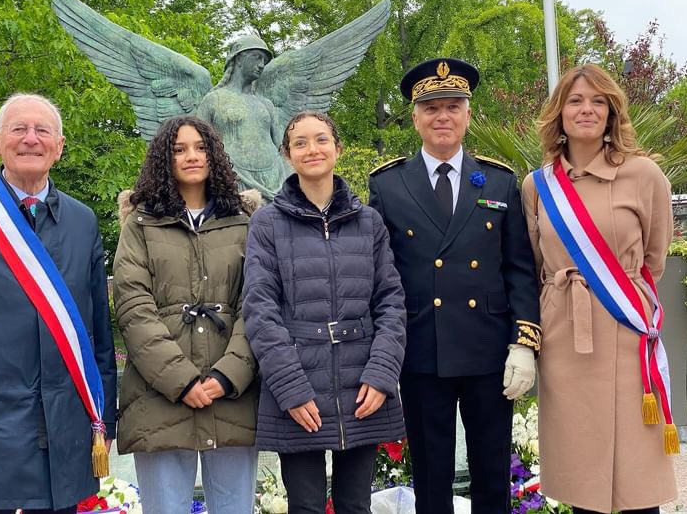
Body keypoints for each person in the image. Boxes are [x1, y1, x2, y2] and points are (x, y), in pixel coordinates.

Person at [368, 58, 542, 513]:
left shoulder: (501, 180)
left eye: (452, 106)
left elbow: (519, 268)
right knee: (431, 475)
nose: (442, 116)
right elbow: (378, 274)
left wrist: (524, 342)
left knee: (489, 475)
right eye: (431, 108)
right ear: (415, 117)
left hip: (487, 351)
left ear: (468, 113)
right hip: (423, 349)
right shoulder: (388, 185)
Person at [521, 63, 678, 514]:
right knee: (581, 467)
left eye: (598, 101)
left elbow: (653, 258)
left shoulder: (645, 175)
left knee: (636, 471)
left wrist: (617, 292)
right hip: (564, 333)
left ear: (612, 112)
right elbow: (535, 262)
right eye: (575, 100)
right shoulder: (537, 185)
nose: (586, 109)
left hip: (626, 328)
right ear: (559, 113)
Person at [243, 111, 406, 514]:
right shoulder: (266, 224)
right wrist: (290, 388)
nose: (312, 149)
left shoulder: (369, 222)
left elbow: (390, 300)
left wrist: (382, 373)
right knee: (307, 506)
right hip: (298, 388)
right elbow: (260, 310)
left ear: (338, 147)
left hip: (362, 387)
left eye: (321, 139)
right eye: (300, 143)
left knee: (356, 505)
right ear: (287, 154)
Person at [0, 93, 117, 513]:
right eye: (18, 129)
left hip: (67, 424)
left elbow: (98, 330)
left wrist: (105, 414)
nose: (30, 139)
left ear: (59, 145)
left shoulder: (82, 220)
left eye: (42, 130)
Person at [112, 116, 261, 514]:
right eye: (179, 149)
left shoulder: (245, 222)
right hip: (158, 399)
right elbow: (132, 306)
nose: (191, 156)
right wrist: (181, 380)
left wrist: (227, 375)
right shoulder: (140, 224)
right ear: (165, 159)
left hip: (232, 397)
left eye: (200, 147)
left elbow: (258, 303)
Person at [196, 35, 291, 199]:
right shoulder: (213, 100)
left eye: (264, 60)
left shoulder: (266, 104)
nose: (261, 65)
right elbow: (198, 145)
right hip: (233, 179)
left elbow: (281, 147)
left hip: (275, 181)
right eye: (257, 57)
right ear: (239, 59)